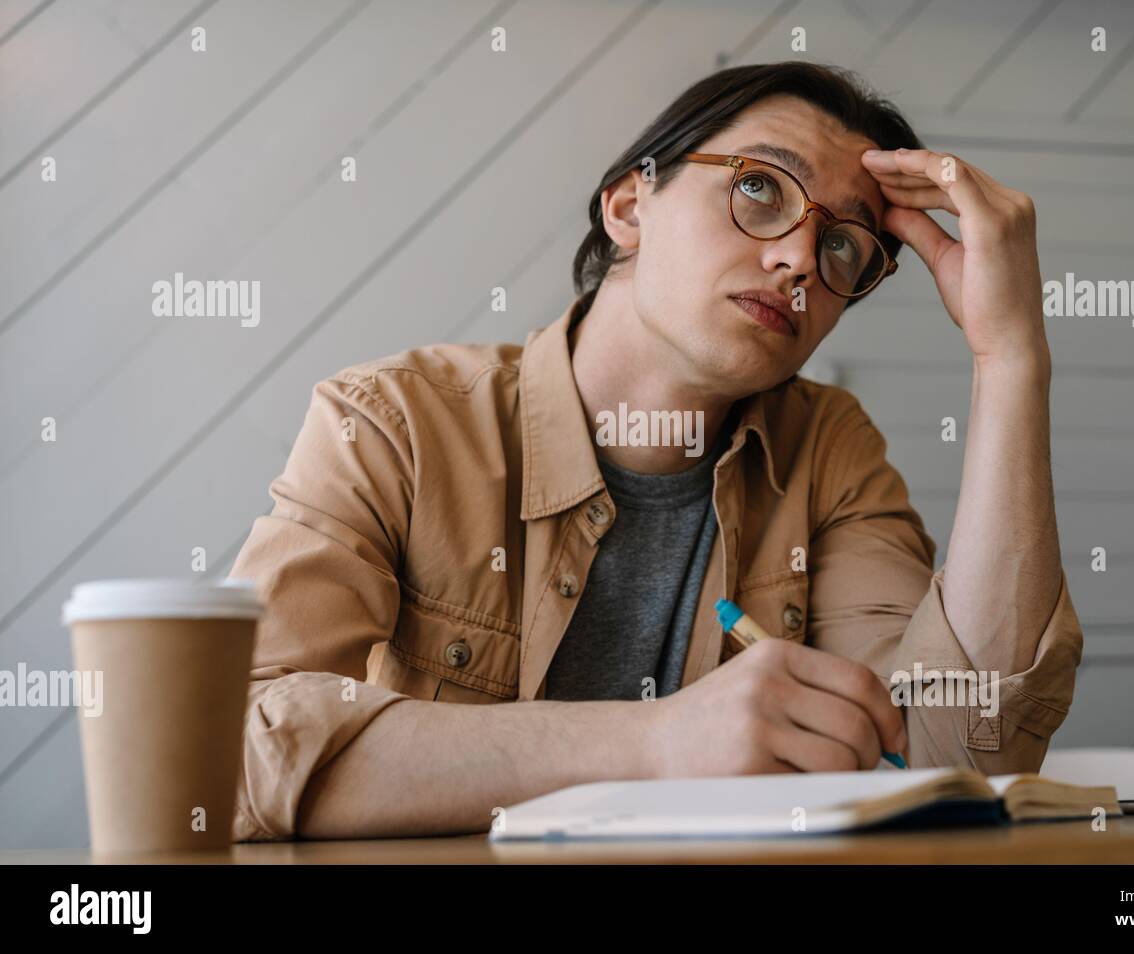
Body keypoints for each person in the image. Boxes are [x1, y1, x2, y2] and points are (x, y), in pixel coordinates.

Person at [228, 61, 1082, 841]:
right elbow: (230, 751)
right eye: (759, 188)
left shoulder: (829, 450)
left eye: (840, 246)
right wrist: (654, 740)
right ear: (630, 207)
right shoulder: (393, 423)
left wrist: (1010, 358)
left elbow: (960, 759)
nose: (795, 260)